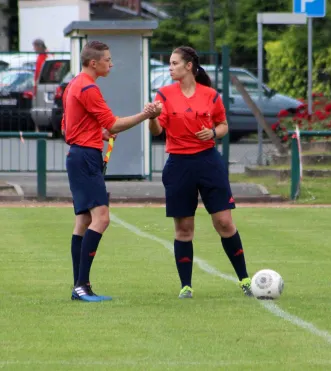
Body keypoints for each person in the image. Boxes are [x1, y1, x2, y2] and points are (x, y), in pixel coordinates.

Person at [148, 46, 253, 299]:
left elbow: (223, 126)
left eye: (174, 63)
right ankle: (186, 286)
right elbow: (156, 132)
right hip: (178, 165)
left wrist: (213, 133)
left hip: (208, 163)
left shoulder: (211, 95)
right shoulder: (163, 94)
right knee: (184, 229)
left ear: (188, 66)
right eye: (170, 63)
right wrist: (152, 117)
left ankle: (245, 280)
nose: (170, 67)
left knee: (224, 223)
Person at [62, 40, 162, 302]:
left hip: (79, 155)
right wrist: (146, 114)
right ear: (93, 62)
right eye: (107, 59)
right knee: (102, 218)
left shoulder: (73, 84)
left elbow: (68, 127)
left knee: (84, 220)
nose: (111, 63)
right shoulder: (88, 87)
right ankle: (81, 286)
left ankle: (80, 286)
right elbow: (114, 124)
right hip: (85, 157)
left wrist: (97, 133)